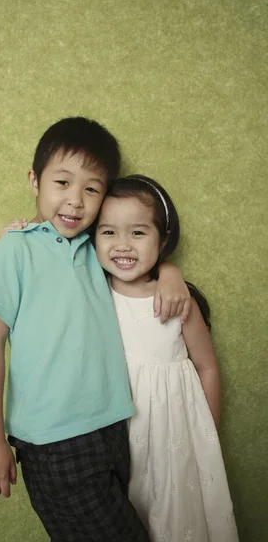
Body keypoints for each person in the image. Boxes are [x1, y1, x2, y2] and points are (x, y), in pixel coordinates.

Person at [0, 117, 190, 542]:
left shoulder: (96, 248)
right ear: (34, 180)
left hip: (114, 428)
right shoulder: (13, 250)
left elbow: (137, 253)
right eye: (62, 183)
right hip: (56, 441)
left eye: (91, 188)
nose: (75, 201)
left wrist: (169, 271)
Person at [94, 174, 239, 542]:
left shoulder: (177, 301)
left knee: (178, 523)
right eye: (108, 232)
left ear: (163, 240)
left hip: (175, 443)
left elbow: (206, 367)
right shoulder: (91, 293)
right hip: (120, 443)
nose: (122, 245)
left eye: (138, 233)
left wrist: (207, 436)